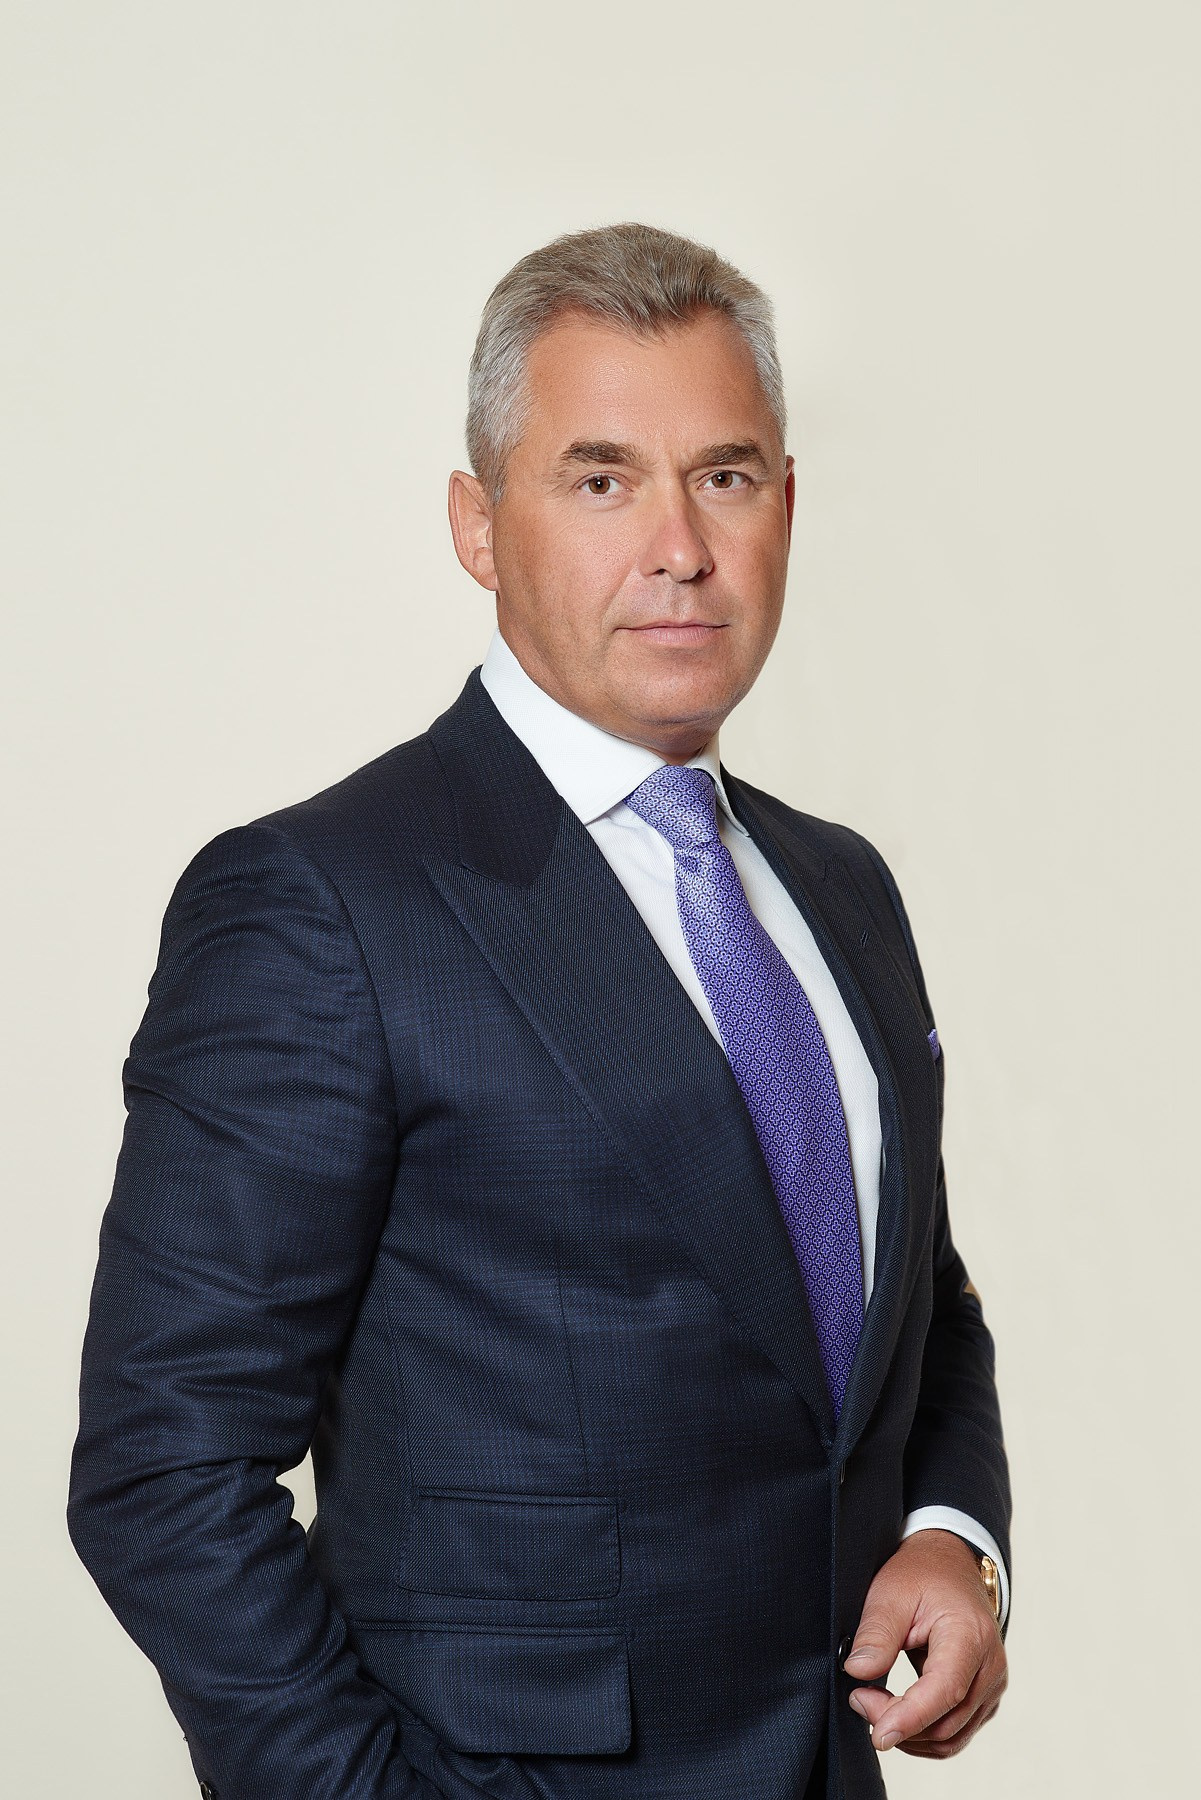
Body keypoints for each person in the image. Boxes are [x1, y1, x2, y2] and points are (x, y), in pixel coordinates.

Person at [68, 222, 1011, 1800]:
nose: (678, 547)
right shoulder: (322, 903)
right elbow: (164, 1464)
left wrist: (949, 1532)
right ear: (477, 525)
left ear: (785, 506)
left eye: (723, 476)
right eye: (599, 480)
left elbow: (916, 1303)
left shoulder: (840, 889)